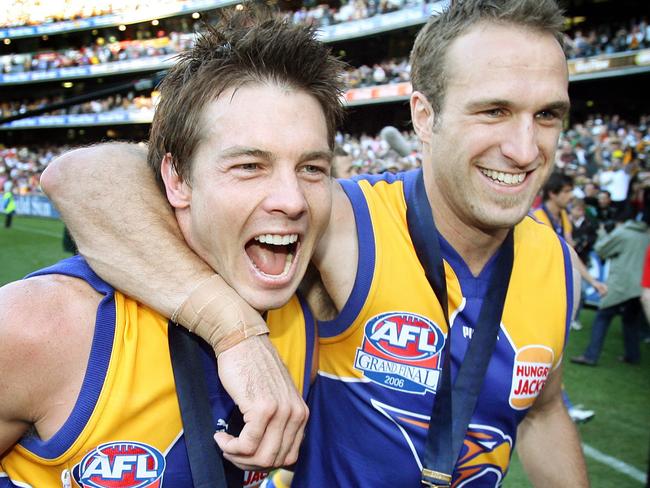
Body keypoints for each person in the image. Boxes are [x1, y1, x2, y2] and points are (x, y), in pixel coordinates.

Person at [43, 0, 589, 485]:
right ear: (424, 116)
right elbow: (84, 177)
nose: (525, 148)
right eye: (494, 110)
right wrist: (236, 334)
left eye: (547, 115)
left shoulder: (558, 266)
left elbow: (540, 411)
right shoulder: (346, 219)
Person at [0, 10, 345, 487]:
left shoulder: (312, 313)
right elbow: (82, 172)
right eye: (249, 166)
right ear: (177, 180)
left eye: (312, 168)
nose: (292, 200)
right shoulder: (45, 326)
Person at [571, 214, 650, 366]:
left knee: (602, 317)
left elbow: (601, 249)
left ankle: (590, 356)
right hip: (640, 287)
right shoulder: (647, 237)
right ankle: (633, 356)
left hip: (621, 285)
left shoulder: (623, 233)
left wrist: (604, 233)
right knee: (630, 320)